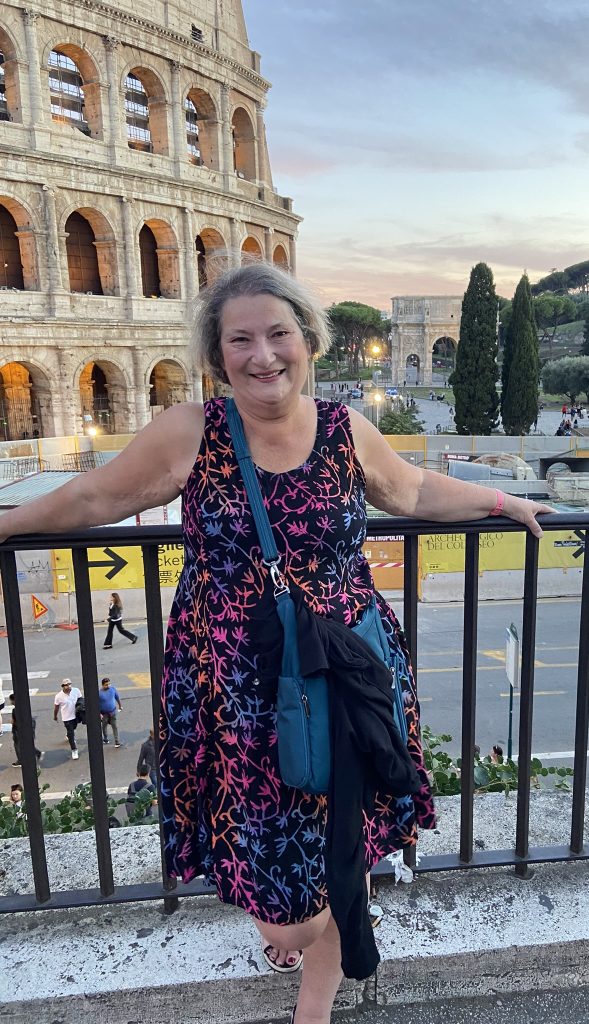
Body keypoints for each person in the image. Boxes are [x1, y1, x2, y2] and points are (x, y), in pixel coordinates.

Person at [0, 262, 553, 1023]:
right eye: (240, 340)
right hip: (235, 690)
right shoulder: (191, 432)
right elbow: (93, 495)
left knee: (340, 840)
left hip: (343, 672)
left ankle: (313, 1004)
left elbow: (414, 490)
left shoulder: (345, 429)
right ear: (217, 354)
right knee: (286, 907)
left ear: (308, 340)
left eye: (278, 334)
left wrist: (500, 500)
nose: (263, 355)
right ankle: (307, 931)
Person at [9, 692, 43, 767]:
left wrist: (12, 722)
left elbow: (15, 722)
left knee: (18, 745)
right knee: (27, 744)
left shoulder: (15, 710)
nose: (11, 702)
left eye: (11, 700)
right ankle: (37, 753)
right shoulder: (24, 707)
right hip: (27, 728)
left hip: (18, 731)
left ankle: (20, 760)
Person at [53, 679, 82, 759]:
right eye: (66, 685)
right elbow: (56, 707)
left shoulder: (76, 690)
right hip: (67, 717)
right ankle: (74, 749)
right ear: (62, 686)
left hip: (76, 715)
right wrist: (55, 716)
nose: (68, 686)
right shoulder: (58, 696)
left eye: (69, 684)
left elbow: (80, 699)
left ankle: (69, 734)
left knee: (74, 727)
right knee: (71, 733)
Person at [98, 677, 123, 747]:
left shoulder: (113, 689)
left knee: (115, 726)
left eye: (109, 684)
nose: (108, 686)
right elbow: (97, 704)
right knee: (104, 727)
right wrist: (99, 714)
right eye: (106, 685)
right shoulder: (99, 693)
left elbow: (117, 697)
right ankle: (105, 738)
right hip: (104, 714)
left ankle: (117, 741)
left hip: (113, 712)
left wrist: (120, 705)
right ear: (102, 685)